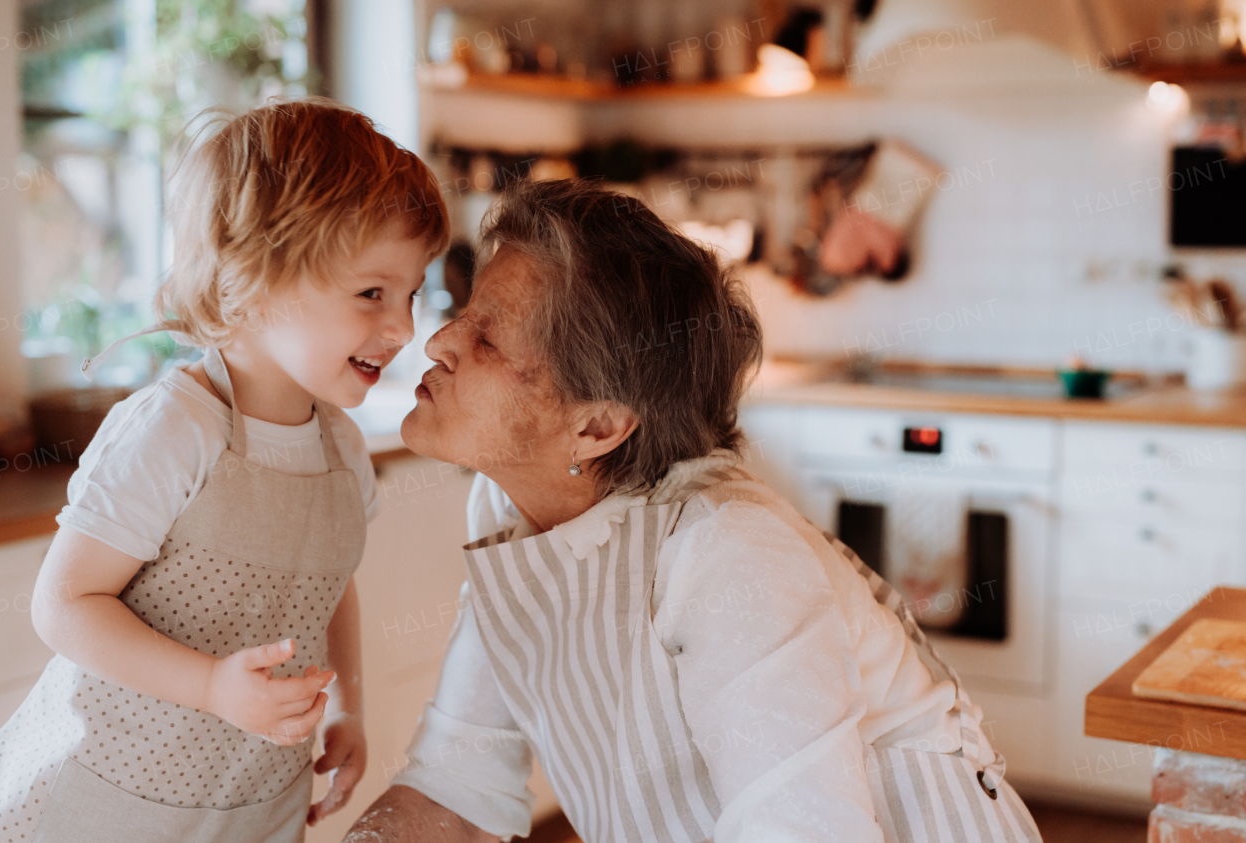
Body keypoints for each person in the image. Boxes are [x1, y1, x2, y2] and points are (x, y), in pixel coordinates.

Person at [344, 179, 1042, 843]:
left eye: (487, 339)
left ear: (597, 426)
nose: (437, 342)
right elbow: (451, 791)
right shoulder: (509, 508)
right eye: (465, 316)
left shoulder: (730, 555)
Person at [0, 98, 447, 843]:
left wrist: (350, 706)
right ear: (257, 277)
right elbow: (63, 603)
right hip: (111, 804)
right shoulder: (175, 428)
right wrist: (211, 686)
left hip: (253, 806)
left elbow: (326, 583)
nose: (404, 327)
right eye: (371, 293)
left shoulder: (342, 446)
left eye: (411, 293)